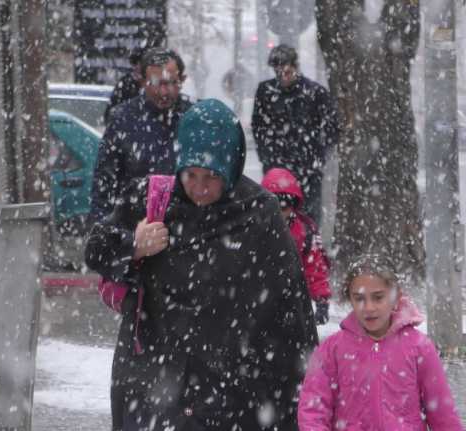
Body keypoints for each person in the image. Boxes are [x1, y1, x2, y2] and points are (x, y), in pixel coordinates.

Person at [85, 98, 318, 431]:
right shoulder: (154, 199)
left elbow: (292, 312)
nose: (198, 187)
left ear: (231, 166)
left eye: (211, 176)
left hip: (235, 389)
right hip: (157, 383)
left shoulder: (259, 212)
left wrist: (304, 394)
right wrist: (134, 246)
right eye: (190, 173)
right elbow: (95, 249)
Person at [298, 254, 464, 431]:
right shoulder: (331, 349)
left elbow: (442, 413)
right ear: (350, 299)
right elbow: (313, 411)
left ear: (396, 296)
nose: (369, 307)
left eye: (378, 298)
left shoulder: (419, 348)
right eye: (359, 298)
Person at [89, 47, 191, 227]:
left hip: (184, 229)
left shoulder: (192, 118)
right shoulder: (123, 119)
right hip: (134, 228)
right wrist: (101, 232)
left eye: (171, 82)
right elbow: (105, 180)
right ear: (142, 82)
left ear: (182, 80)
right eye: (156, 83)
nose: (164, 92)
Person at [251, 44, 339, 226]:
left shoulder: (315, 93)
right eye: (279, 70)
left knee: (308, 222)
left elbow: (332, 129)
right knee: (277, 222)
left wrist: (317, 158)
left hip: (307, 171)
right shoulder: (266, 92)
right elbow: (258, 127)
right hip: (278, 172)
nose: (283, 74)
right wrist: (267, 157)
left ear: (295, 66)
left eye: (287, 69)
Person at [261, 167, 331, 325]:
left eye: (284, 204)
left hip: (295, 297)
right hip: (261, 297)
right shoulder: (255, 228)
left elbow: (315, 268)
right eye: (274, 204)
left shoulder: (305, 233)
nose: (279, 210)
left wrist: (321, 301)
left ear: (293, 205)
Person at [103, 46, 146, 124]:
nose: (137, 67)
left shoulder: (155, 84)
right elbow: (110, 114)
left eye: (141, 63)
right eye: (134, 63)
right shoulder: (125, 84)